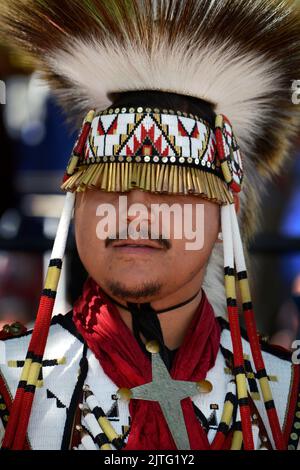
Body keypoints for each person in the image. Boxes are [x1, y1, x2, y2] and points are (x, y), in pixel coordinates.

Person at [0, 0, 300, 451]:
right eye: (109, 182)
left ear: (224, 212)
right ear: (76, 201)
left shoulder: (286, 395)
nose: (134, 212)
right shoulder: (8, 381)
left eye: (170, 187)